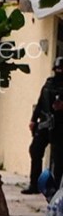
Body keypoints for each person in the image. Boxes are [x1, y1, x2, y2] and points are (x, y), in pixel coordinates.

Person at [32, 57, 63, 198]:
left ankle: (56, 188)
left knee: (58, 158)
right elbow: (40, 102)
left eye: (61, 69)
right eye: (57, 69)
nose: (59, 71)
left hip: (60, 126)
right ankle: (34, 184)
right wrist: (33, 119)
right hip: (45, 123)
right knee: (35, 150)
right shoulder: (49, 83)